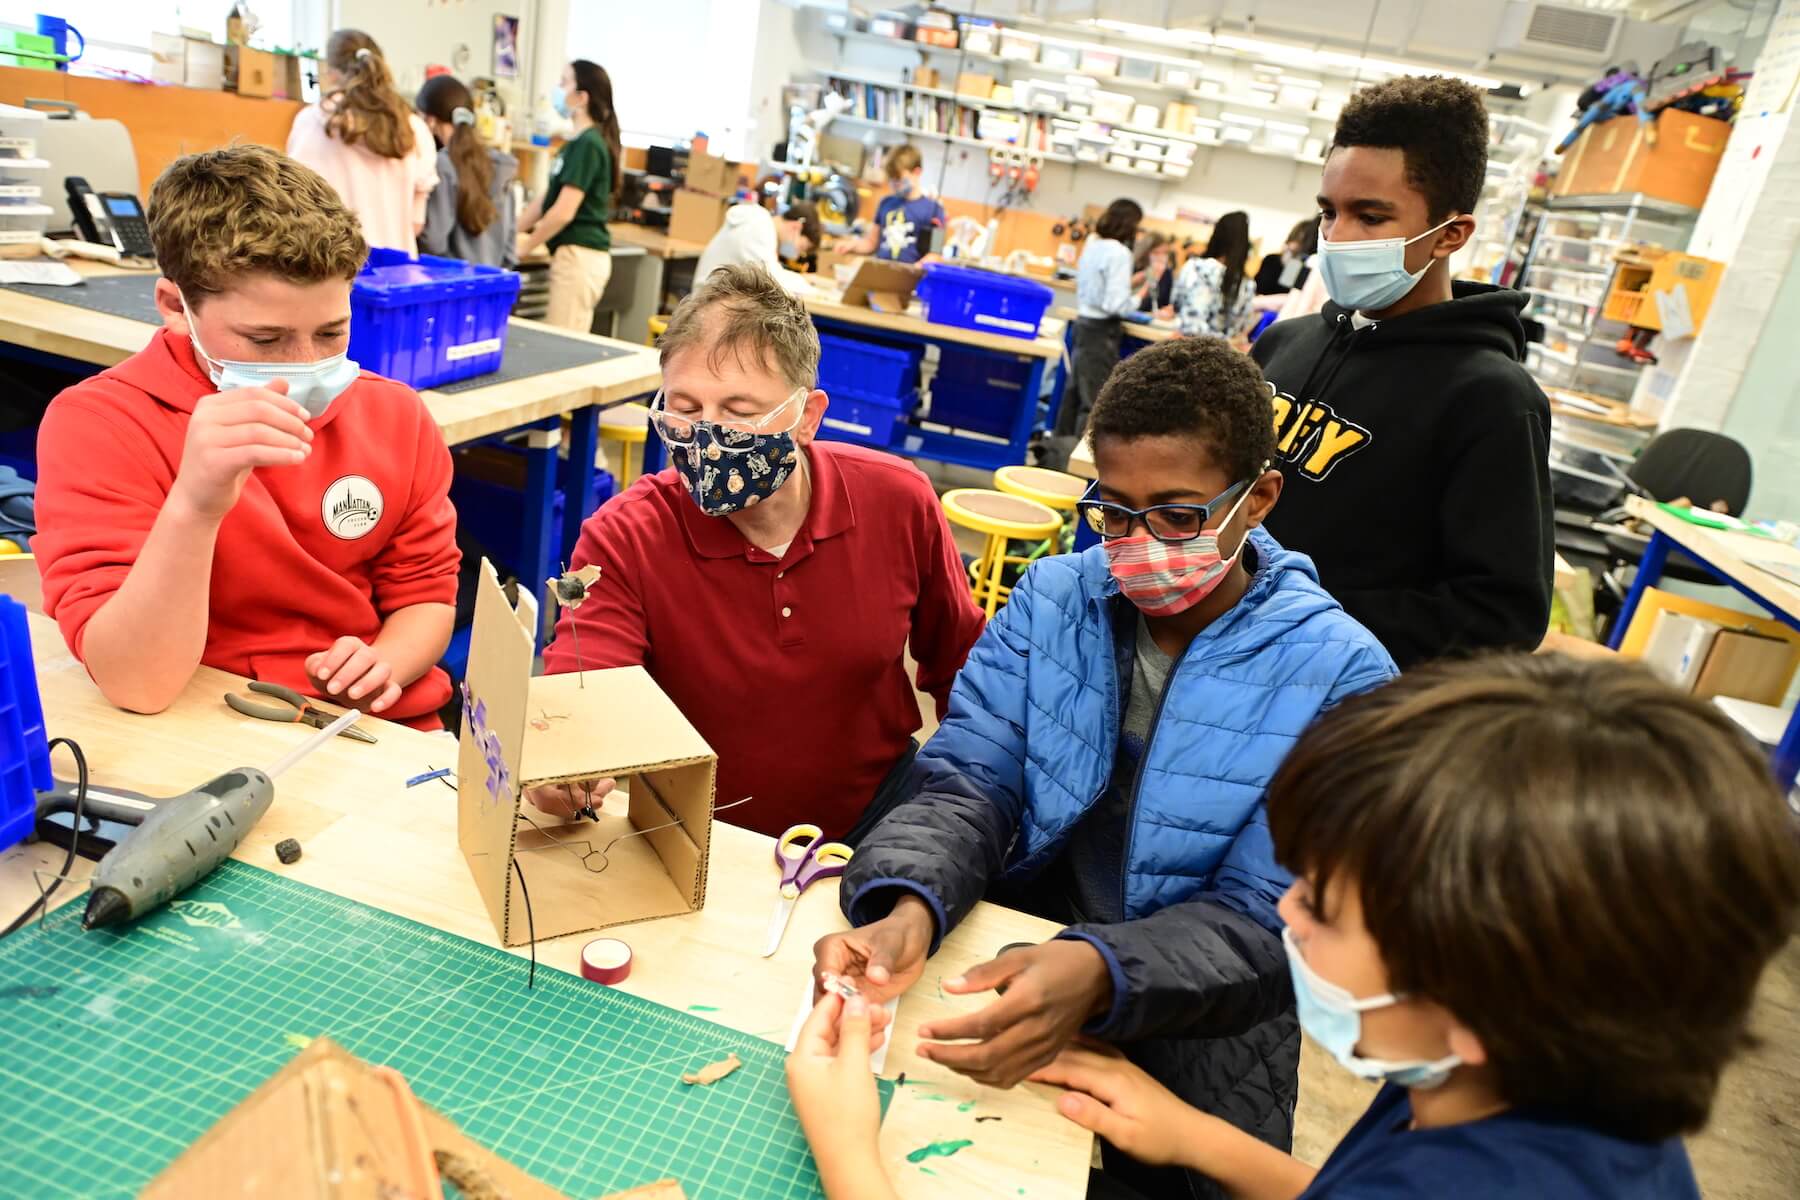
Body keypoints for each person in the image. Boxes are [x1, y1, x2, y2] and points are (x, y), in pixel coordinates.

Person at [791, 656, 1800, 1200]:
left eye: (1321, 901)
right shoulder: (1516, 1089)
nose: (1283, 908)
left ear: (1476, 1001)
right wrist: (1206, 1140)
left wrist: (852, 1156)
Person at [809, 337, 1396, 1198]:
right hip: (1021, 966)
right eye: (1114, 512)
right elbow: (974, 778)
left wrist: (1099, 971)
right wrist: (908, 903)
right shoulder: (1054, 600)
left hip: (1198, 1038)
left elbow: (1265, 918)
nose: (1140, 544)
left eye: (1178, 515)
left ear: (1259, 499)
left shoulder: (1341, 675)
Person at [535, 264, 984, 843]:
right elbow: (584, 680)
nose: (707, 435)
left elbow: (961, 666)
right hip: (690, 831)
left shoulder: (898, 501)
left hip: (876, 816)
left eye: (740, 412)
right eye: (686, 407)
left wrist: (967, 806)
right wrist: (567, 757)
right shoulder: (627, 534)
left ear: (807, 416)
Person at [33, 146, 459, 727]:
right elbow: (137, 682)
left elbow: (424, 595)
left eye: (332, 331)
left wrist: (385, 662)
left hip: (375, 727)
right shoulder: (100, 426)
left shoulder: (395, 416)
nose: (305, 364)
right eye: (264, 341)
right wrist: (195, 504)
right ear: (174, 307)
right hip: (206, 724)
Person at [1250, 76, 1553, 669]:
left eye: (1370, 217)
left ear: (1450, 234)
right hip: (1212, 669)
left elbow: (1501, 617)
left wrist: (1296, 617)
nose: (1337, 239)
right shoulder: (1287, 343)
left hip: (1336, 710)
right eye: (1328, 213)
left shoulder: (1490, 398)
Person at [285, 29, 437, 256]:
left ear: (332, 74)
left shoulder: (312, 121)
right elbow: (416, 224)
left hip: (330, 270)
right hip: (397, 276)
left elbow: (293, 209)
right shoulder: (414, 127)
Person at [519, 59, 622, 331]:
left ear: (581, 97)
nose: (558, 89)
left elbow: (563, 212)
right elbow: (547, 199)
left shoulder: (589, 144)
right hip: (573, 256)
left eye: (564, 82)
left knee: (562, 349)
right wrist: (513, 231)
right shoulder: (574, 144)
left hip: (580, 258)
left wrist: (525, 247)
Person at [1050, 198, 1142, 464]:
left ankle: (1056, 461)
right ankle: (1079, 469)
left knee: (1072, 397)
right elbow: (1115, 304)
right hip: (1101, 332)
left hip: (1083, 326)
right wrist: (1136, 300)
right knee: (1094, 403)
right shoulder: (1120, 253)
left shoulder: (1093, 244)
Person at [415, 75, 518, 268]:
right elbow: (510, 249)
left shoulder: (443, 165)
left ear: (430, 120)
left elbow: (434, 242)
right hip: (492, 289)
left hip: (453, 289)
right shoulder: (502, 165)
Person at [838, 144, 945, 264]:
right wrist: (853, 245)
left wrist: (919, 267)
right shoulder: (886, 203)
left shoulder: (934, 209)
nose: (895, 184)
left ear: (917, 172)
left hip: (911, 276)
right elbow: (871, 243)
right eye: (891, 179)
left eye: (899, 179)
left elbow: (935, 253)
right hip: (881, 270)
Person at [693, 200, 820, 294]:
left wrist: (801, 279)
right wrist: (812, 290)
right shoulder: (760, 228)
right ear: (796, 227)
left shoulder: (762, 225)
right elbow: (771, 280)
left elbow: (771, 271)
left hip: (714, 295)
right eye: (801, 247)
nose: (797, 254)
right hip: (708, 301)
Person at [1172, 210, 1256, 342]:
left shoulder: (1197, 268)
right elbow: (1242, 326)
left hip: (1188, 349)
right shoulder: (1247, 284)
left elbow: (1184, 314)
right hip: (1222, 354)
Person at [1253, 218, 1316, 295]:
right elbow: (1258, 286)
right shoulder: (1270, 259)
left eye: (1301, 240)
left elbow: (1287, 291)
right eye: (1296, 238)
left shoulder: (1305, 265)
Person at [1133, 232, 1175, 314]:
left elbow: (1165, 302)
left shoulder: (1167, 273)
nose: (1161, 257)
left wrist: (1168, 309)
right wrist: (1151, 280)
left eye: (1165, 253)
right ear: (1145, 253)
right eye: (1156, 253)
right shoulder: (1135, 267)